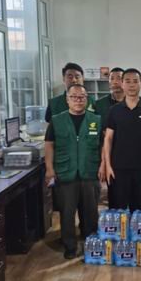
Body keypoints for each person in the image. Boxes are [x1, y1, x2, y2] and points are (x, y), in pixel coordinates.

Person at [44, 84, 101, 259]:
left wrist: (103, 166)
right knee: (67, 213)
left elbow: (103, 145)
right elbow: (49, 145)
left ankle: (90, 243)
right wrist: (49, 169)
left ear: (87, 100)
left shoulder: (96, 120)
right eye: (74, 97)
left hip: (89, 171)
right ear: (67, 100)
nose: (78, 100)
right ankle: (69, 246)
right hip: (65, 172)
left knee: (90, 212)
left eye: (82, 97)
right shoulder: (57, 120)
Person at [103, 68, 141, 211]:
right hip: (118, 167)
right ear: (122, 84)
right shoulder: (114, 110)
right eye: (127, 81)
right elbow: (108, 139)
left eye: (135, 81)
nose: (132, 85)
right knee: (118, 207)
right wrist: (108, 165)